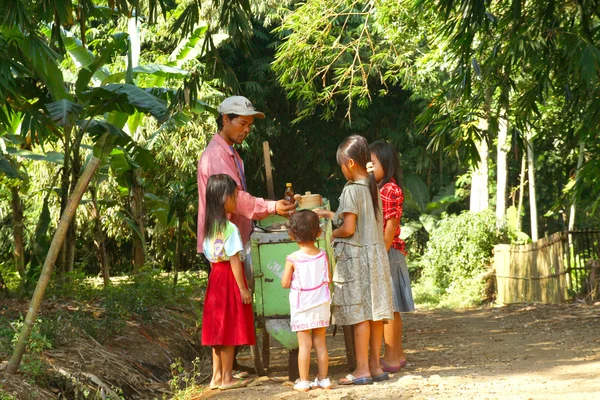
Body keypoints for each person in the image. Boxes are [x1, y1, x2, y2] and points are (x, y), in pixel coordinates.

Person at [197, 96, 297, 375]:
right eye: (242, 123)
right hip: (225, 249)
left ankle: (227, 370)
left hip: (229, 242)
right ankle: (226, 373)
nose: (246, 130)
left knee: (226, 311)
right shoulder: (217, 156)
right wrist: (271, 206)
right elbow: (237, 199)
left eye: (250, 125)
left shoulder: (229, 152)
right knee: (229, 309)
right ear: (225, 120)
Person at [314, 135, 394, 386]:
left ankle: (360, 370)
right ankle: (374, 366)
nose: (341, 171)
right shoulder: (372, 186)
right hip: (376, 256)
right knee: (374, 315)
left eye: (340, 166)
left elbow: (348, 228)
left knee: (360, 316)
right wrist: (331, 215)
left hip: (357, 258)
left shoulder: (351, 190)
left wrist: (328, 233)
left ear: (349, 163)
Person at [201, 174, 255, 390]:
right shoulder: (230, 228)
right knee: (229, 327)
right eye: (234, 196)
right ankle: (227, 378)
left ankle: (216, 377)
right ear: (224, 199)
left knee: (217, 329)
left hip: (215, 278)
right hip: (229, 278)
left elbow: (210, 256)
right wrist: (243, 288)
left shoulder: (209, 228)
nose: (236, 200)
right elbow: (233, 258)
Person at [369, 140, 415, 373]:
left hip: (389, 252)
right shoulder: (383, 188)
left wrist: (380, 255)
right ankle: (398, 354)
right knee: (392, 308)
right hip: (389, 251)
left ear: (385, 164)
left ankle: (391, 357)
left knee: (389, 308)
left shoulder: (389, 190)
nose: (369, 167)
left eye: (373, 163)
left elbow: (390, 228)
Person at [281, 210, 332, 392]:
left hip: (302, 306)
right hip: (320, 304)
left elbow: (285, 283)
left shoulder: (293, 258)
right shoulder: (323, 255)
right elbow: (329, 278)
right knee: (320, 343)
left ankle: (303, 381)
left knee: (304, 345)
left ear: (292, 234)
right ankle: (324, 379)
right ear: (318, 232)